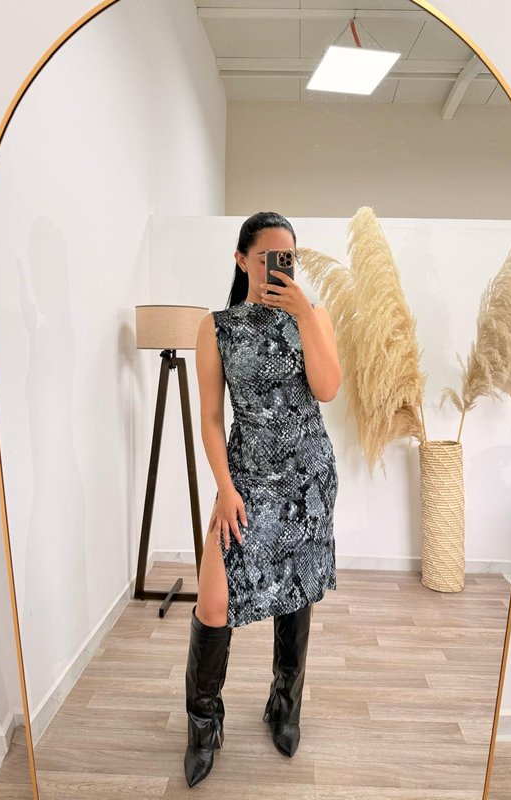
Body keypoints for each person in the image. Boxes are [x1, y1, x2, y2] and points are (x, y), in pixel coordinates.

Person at [183, 211, 341, 787]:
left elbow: (327, 387)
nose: (280, 266)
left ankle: (284, 704)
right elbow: (209, 419)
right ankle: (204, 725)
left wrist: (304, 315)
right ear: (242, 260)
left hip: (306, 478)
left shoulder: (313, 315)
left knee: (296, 592)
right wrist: (225, 489)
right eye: (269, 257)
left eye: (288, 258)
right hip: (246, 481)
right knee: (214, 601)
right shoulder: (216, 327)